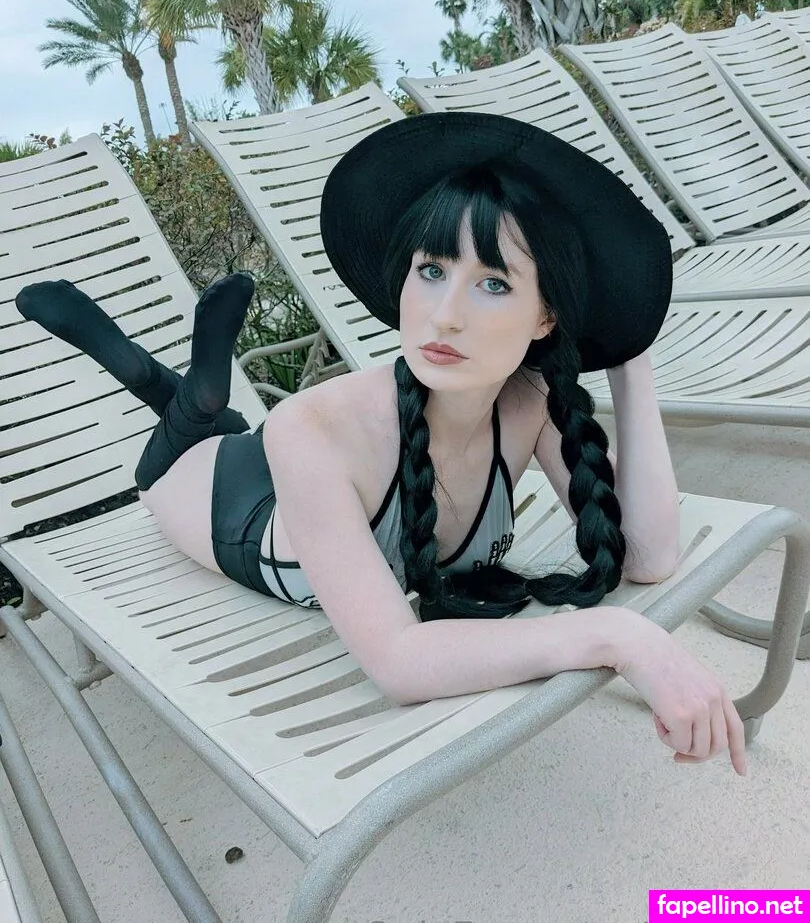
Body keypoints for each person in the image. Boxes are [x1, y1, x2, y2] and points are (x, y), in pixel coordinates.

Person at [15, 112, 747, 776]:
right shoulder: (311, 425)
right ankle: (150, 373)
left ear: (546, 317)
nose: (445, 315)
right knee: (177, 449)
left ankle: (186, 389)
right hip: (222, 499)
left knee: (206, 415)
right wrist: (617, 637)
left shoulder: (530, 403)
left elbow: (648, 556)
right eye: (431, 271)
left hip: (313, 487)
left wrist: (627, 352)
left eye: (493, 284)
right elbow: (400, 660)